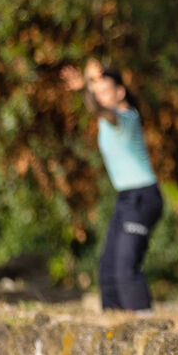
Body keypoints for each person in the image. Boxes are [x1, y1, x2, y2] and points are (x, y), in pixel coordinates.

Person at [61, 60, 163, 312]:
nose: (101, 97)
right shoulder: (107, 119)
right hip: (126, 198)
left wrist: (85, 87)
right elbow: (99, 107)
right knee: (108, 266)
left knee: (126, 266)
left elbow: (102, 110)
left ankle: (146, 324)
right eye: (98, 93)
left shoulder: (126, 117)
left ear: (120, 92)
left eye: (106, 91)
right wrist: (89, 82)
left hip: (143, 196)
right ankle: (114, 323)